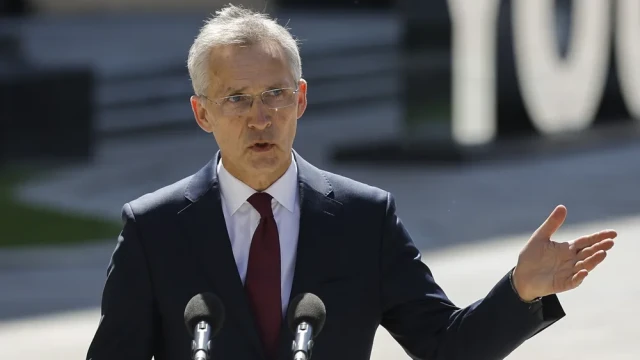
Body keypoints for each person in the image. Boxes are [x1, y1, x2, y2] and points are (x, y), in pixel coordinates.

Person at [86, 5, 617, 360]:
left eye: (275, 94)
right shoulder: (154, 230)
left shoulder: (364, 219)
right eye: (237, 99)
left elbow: (445, 348)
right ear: (202, 113)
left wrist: (520, 292)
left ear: (302, 100)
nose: (260, 117)